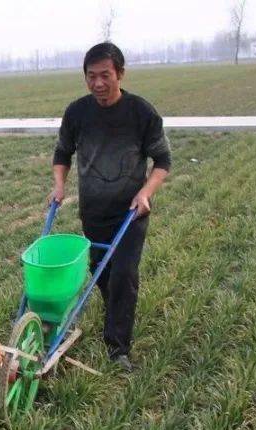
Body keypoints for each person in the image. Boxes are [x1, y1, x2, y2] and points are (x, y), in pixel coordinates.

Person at [51, 42, 171, 371]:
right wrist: (59, 185)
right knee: (101, 273)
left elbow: (163, 160)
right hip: (93, 211)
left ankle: (118, 348)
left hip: (131, 212)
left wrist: (146, 193)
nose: (98, 83)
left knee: (124, 275)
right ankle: (116, 312)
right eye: (91, 76)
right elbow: (62, 153)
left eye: (105, 75)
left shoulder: (141, 113)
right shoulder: (77, 112)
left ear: (120, 73)